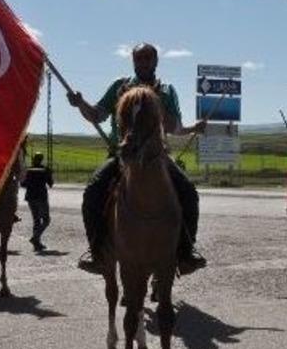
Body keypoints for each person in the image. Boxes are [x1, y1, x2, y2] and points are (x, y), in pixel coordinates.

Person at [68, 42, 207, 275]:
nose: (142, 63)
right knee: (92, 192)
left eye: (147, 59)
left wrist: (189, 125)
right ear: (133, 62)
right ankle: (97, 253)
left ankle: (185, 253)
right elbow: (96, 115)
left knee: (189, 193)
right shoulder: (119, 87)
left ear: (155, 62)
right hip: (122, 156)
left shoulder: (167, 90)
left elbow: (174, 127)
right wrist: (80, 103)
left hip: (157, 158)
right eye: (138, 59)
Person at [21, 152, 54, 252]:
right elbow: (51, 184)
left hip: (30, 197)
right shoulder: (45, 169)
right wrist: (49, 174)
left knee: (36, 220)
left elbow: (23, 184)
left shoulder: (29, 170)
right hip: (41, 197)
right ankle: (36, 237)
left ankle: (37, 243)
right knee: (46, 220)